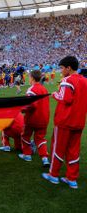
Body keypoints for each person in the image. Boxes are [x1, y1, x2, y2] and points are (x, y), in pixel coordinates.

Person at [42, 56, 87, 189]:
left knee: (58, 148)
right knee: (74, 150)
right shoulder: (85, 81)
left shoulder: (67, 80)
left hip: (65, 121)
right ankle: (72, 178)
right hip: (79, 121)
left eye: (62, 68)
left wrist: (54, 94)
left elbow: (65, 98)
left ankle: (53, 175)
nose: (61, 71)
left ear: (68, 68)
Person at [18, 70, 50, 167]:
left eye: (29, 77)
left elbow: (31, 105)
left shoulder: (31, 90)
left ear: (32, 78)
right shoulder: (44, 89)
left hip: (32, 119)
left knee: (25, 135)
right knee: (40, 138)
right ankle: (45, 158)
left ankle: (27, 154)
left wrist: (21, 109)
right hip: (44, 118)